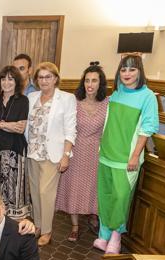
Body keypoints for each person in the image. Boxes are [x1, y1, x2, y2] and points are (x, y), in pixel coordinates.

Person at [95, 54, 158, 253]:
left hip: (126, 159)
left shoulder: (148, 96)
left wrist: (134, 156)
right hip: (106, 154)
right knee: (105, 196)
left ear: (140, 71)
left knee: (121, 198)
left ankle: (116, 236)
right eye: (123, 69)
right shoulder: (117, 92)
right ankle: (103, 235)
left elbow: (147, 129)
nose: (127, 73)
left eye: (132, 69)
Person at [25, 62, 77, 246]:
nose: (44, 80)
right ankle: (38, 225)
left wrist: (66, 155)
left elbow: (71, 129)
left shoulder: (67, 98)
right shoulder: (32, 97)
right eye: (41, 77)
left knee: (45, 192)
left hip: (52, 153)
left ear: (55, 78)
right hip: (32, 152)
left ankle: (47, 230)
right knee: (35, 192)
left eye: (48, 77)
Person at [56, 63, 108, 242]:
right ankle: (75, 226)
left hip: (97, 152)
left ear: (100, 83)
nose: (90, 84)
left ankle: (93, 216)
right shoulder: (74, 102)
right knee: (74, 187)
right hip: (76, 150)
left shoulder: (107, 104)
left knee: (93, 188)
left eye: (94, 80)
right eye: (87, 80)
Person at [0, 65, 30, 220]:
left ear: (17, 82)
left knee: (12, 187)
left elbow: (20, 128)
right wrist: (5, 124)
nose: (6, 82)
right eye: (3, 78)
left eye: (10, 79)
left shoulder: (23, 100)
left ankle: (13, 220)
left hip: (13, 150)